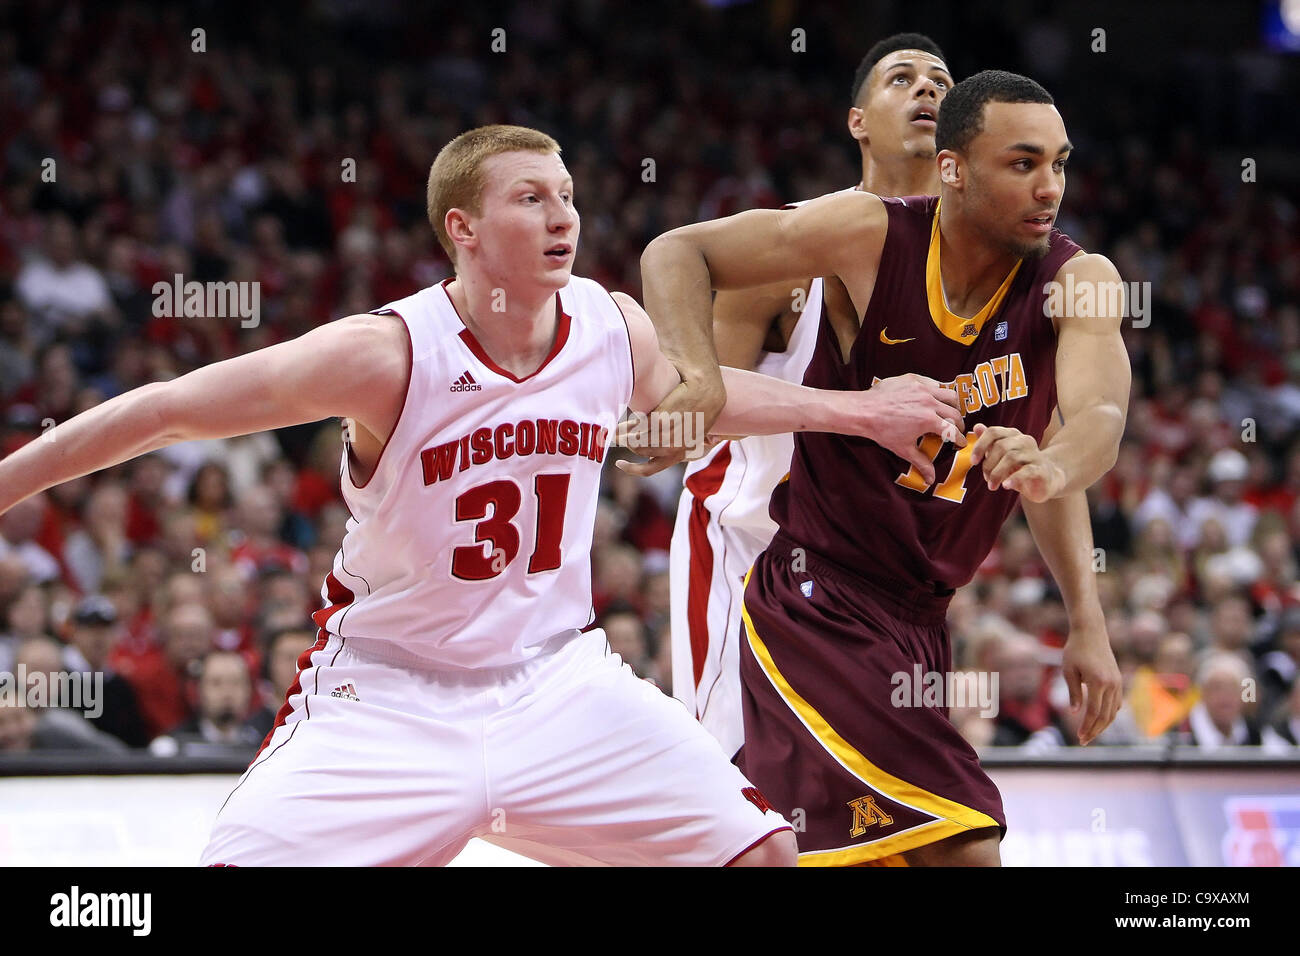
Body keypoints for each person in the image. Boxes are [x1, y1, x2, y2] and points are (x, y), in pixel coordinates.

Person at [0, 124, 961, 866]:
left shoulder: (606, 324)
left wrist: (859, 412)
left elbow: (707, 401)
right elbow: (166, 410)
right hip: (389, 696)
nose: (564, 218)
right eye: (531, 198)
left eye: (570, 198)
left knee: (761, 850)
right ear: (462, 229)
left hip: (559, 682)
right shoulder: (385, 354)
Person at [638, 71, 1129, 865]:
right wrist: (696, 377)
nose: (1050, 189)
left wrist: (1058, 490)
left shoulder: (1079, 281)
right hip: (817, 599)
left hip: (921, 620)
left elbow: (1100, 415)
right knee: (965, 844)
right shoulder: (872, 235)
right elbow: (677, 250)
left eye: (1061, 164)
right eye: (1023, 164)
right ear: (954, 169)